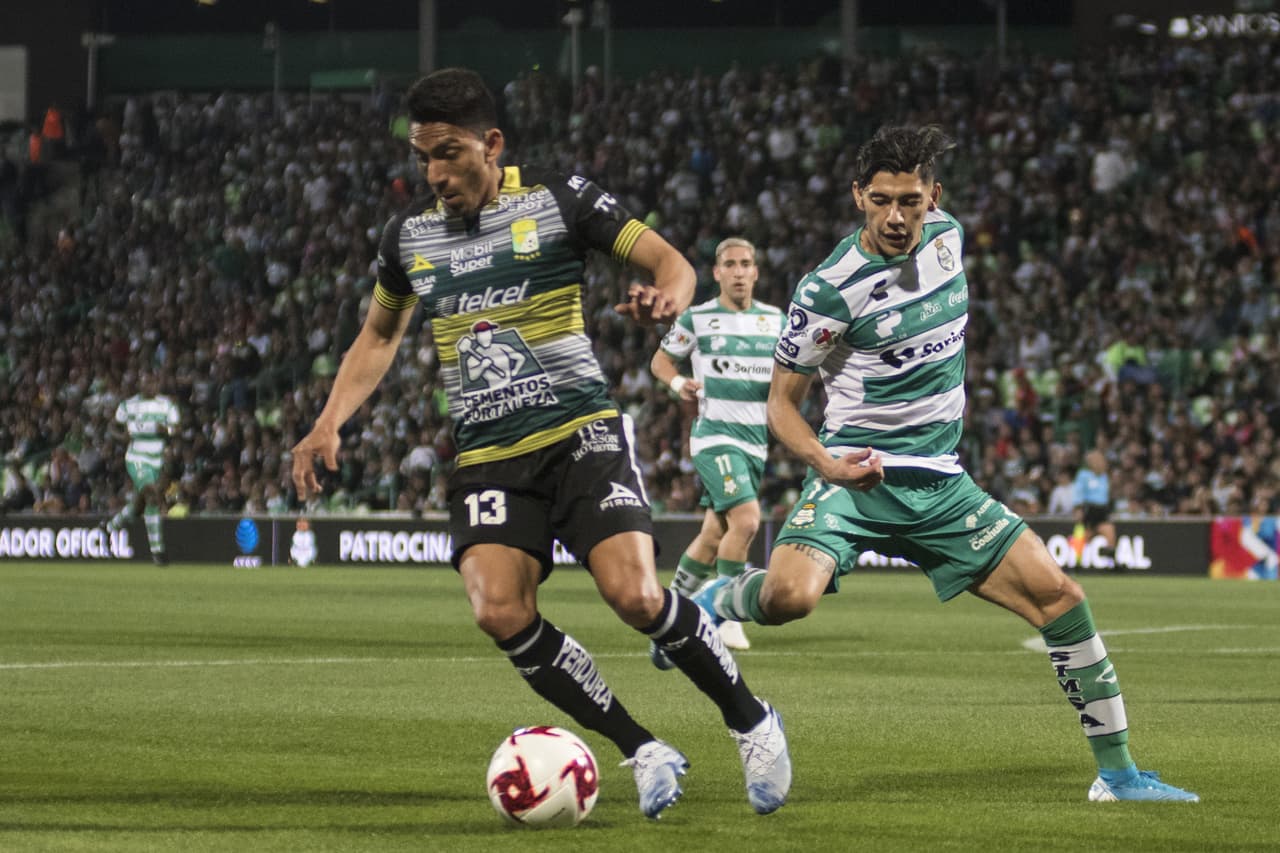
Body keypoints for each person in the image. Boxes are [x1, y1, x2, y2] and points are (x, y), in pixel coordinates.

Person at [290, 68, 790, 818]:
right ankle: (640, 745)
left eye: (449, 153)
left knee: (635, 594)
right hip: (489, 453)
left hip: (579, 433)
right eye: (423, 156)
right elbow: (380, 333)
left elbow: (672, 264)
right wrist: (328, 419)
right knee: (498, 609)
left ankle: (751, 719)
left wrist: (667, 299)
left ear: (491, 144)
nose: (435, 174)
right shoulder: (409, 237)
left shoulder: (561, 200)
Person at [692, 125, 1198, 803]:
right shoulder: (828, 290)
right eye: (880, 201)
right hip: (857, 478)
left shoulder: (950, 237)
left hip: (941, 482)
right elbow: (781, 404)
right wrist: (828, 465)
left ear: (935, 196)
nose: (896, 216)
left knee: (1063, 597)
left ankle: (1120, 774)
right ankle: (713, 602)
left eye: (910, 200)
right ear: (857, 198)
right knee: (788, 598)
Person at [649, 237, 783, 660]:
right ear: (718, 273)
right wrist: (677, 384)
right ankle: (725, 620)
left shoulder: (776, 320)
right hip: (715, 436)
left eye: (747, 263)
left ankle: (667, 616)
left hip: (756, 441)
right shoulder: (699, 317)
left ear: (756, 272)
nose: (740, 271)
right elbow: (660, 361)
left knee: (713, 535)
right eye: (731, 264)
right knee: (746, 522)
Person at [105, 372, 181, 566]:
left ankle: (111, 527)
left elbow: (177, 429)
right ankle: (158, 552)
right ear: (140, 384)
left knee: (140, 505)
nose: (152, 386)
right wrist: (121, 437)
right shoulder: (128, 405)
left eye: (155, 382)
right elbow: (112, 427)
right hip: (137, 458)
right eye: (148, 383)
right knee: (152, 495)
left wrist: (166, 431)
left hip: (158, 459)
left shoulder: (166, 404)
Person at [1074, 449, 1117, 563]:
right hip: (1089, 509)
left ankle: (1110, 559)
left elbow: (1107, 495)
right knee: (1085, 535)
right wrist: (1078, 508)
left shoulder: (1105, 477)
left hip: (1102, 510)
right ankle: (1076, 561)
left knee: (1110, 531)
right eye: (1097, 461)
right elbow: (1079, 491)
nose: (1101, 463)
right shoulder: (1084, 475)